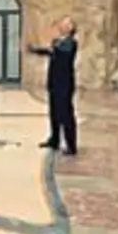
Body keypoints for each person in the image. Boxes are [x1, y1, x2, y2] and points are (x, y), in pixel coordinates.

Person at [29, 17, 78, 155]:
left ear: (70, 28)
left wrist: (53, 46)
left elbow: (60, 52)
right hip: (54, 82)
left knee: (65, 114)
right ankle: (54, 140)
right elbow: (50, 51)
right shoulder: (58, 41)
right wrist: (35, 50)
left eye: (65, 24)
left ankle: (71, 145)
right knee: (54, 113)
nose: (61, 25)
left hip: (64, 84)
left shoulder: (71, 43)